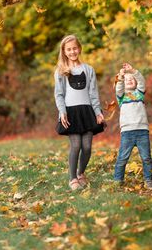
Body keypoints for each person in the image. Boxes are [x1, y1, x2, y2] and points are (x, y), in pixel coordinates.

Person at [54, 35, 105, 190]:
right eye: (68, 49)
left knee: (87, 146)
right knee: (76, 145)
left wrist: (98, 111)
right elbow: (59, 94)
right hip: (71, 113)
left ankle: (81, 173)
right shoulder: (61, 71)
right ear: (64, 51)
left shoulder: (88, 70)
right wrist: (62, 112)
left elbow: (93, 93)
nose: (72, 51)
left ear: (79, 48)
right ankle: (72, 179)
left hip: (87, 111)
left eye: (74, 48)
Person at [114, 63, 152, 189]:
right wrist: (121, 76)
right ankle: (117, 180)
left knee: (146, 158)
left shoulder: (139, 93)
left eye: (132, 79)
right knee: (122, 158)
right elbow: (118, 88)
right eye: (127, 80)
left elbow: (141, 81)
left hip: (142, 131)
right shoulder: (122, 97)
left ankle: (148, 180)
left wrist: (133, 71)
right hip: (127, 132)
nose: (129, 81)